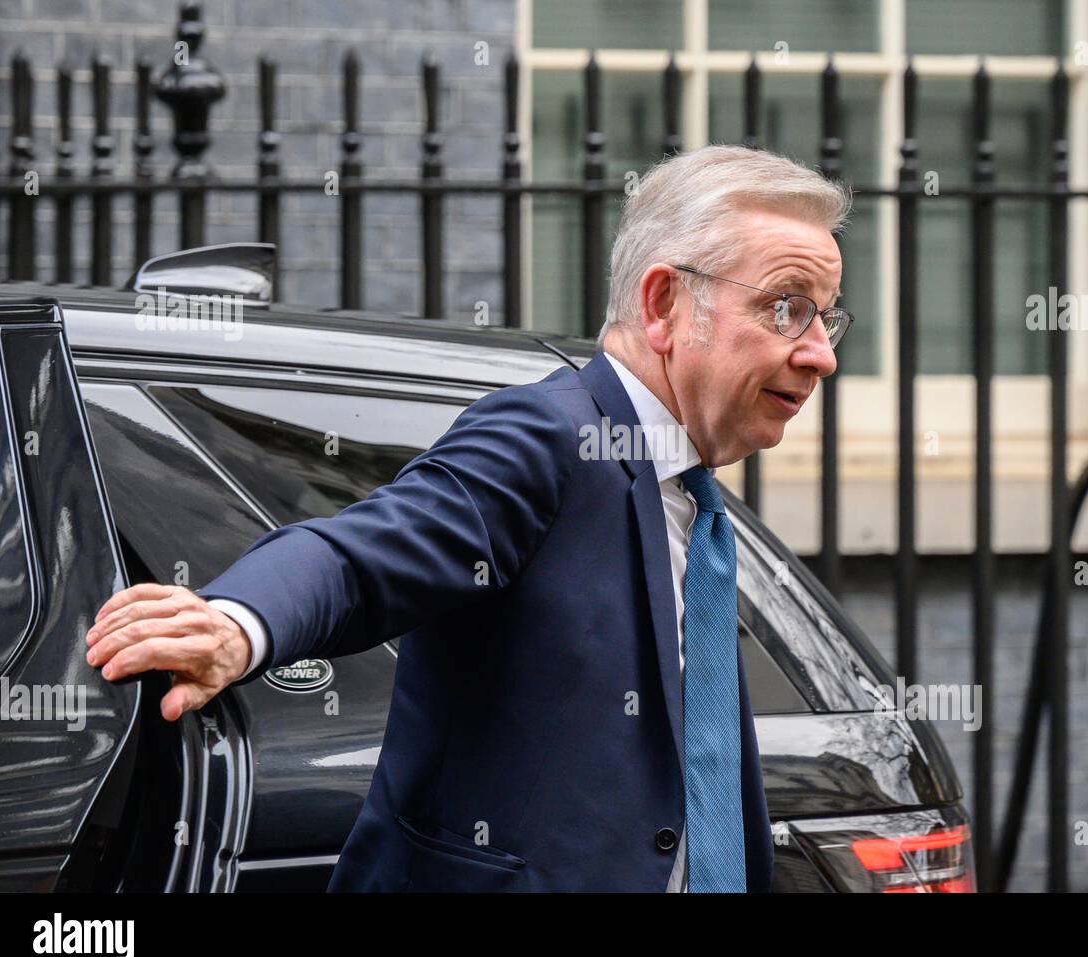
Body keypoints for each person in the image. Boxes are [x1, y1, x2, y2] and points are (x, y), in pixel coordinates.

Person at [85, 144, 851, 892]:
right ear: (663, 305)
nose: (820, 354)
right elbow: (360, 556)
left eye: (824, 319)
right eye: (786, 308)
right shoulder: (550, 433)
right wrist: (234, 623)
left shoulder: (694, 496)